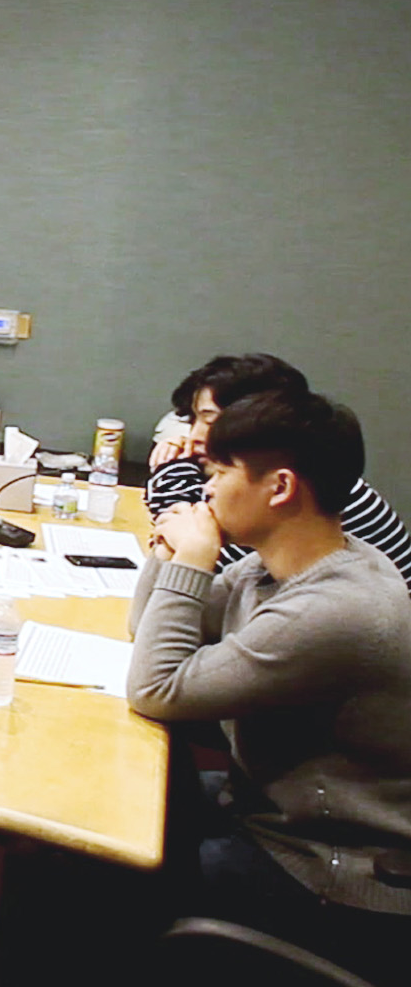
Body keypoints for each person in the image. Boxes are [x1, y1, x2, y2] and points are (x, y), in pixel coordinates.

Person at [127, 390, 411, 982]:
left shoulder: (337, 609)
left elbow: (155, 688)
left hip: (330, 869)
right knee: (122, 802)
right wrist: (171, 554)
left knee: (93, 884)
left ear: (279, 488)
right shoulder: (272, 566)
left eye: (220, 472)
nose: (206, 489)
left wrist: (193, 560)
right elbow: (149, 629)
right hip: (269, 808)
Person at [144, 353, 411, 590]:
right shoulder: (300, 469)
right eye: (193, 420)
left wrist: (173, 467)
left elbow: (194, 558)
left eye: (211, 421)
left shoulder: (296, 491)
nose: (194, 436)